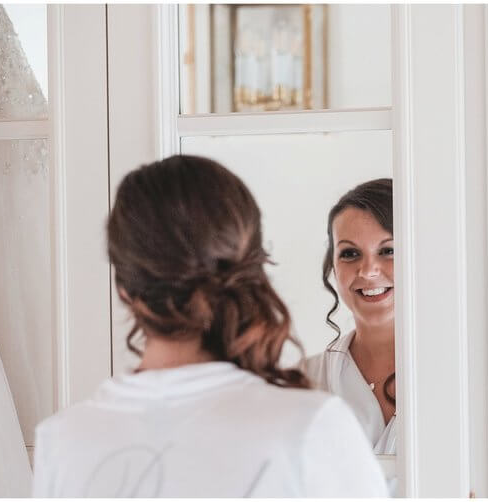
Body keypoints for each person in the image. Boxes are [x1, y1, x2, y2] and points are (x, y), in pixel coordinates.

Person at [31, 155, 388, 497]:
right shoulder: (311, 425)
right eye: (350, 253)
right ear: (251, 272)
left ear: (124, 288)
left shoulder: (61, 442)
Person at [306, 179, 396, 456]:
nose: (368, 271)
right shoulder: (305, 381)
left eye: (388, 250)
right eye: (350, 253)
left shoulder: (462, 373)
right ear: (332, 267)